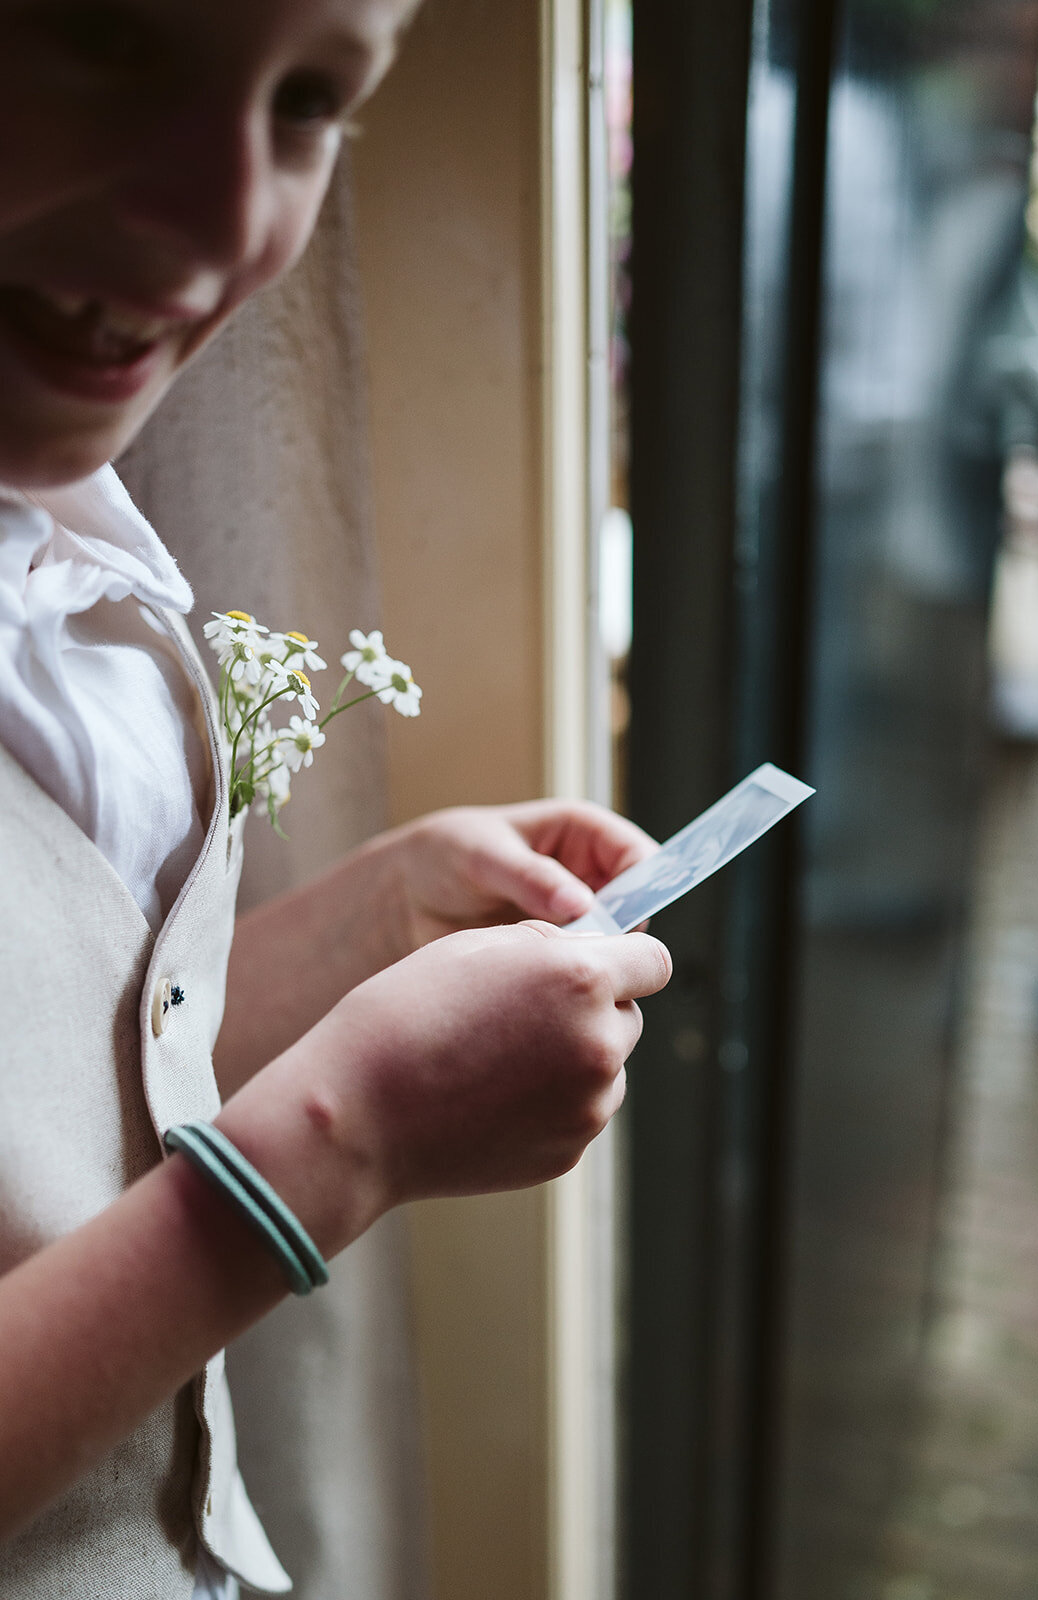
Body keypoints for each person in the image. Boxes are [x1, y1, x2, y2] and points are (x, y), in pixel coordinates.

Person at [0, 0, 672, 1595]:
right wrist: (339, 1143)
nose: (228, 223)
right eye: (111, 42)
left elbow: (48, 1106)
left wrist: (363, 923)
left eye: (309, 104)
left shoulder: (63, 540)